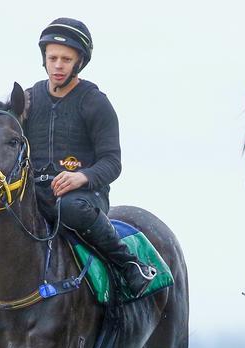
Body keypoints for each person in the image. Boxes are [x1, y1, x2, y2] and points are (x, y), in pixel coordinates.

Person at [25, 18, 156, 297]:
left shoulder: (96, 102)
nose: (58, 65)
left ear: (79, 62)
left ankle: (128, 264)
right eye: (53, 58)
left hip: (84, 198)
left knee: (69, 208)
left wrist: (81, 177)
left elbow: (112, 162)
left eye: (66, 59)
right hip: (35, 193)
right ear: (44, 59)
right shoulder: (28, 100)